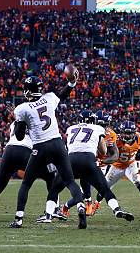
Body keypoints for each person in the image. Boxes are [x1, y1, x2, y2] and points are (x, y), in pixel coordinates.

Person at [9, 69, 85, 229]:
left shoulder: (22, 108)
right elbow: (63, 94)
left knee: (26, 183)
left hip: (41, 147)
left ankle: (19, 219)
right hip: (58, 144)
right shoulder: (49, 98)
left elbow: (20, 137)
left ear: (28, 90)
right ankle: (81, 207)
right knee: (70, 181)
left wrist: (17, 123)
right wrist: (72, 83)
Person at [40, 110, 134, 228]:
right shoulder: (98, 129)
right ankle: (116, 209)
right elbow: (104, 151)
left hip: (71, 159)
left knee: (55, 188)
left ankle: (50, 215)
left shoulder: (71, 128)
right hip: (90, 160)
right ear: (94, 121)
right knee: (104, 189)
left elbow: (64, 146)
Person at [0, 120, 59, 223]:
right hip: (26, 152)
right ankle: (54, 209)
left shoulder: (13, 123)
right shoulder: (36, 121)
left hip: (9, 151)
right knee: (50, 178)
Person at [102, 121, 140, 217]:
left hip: (130, 165)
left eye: (130, 133)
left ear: (134, 133)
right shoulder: (115, 140)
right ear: (121, 132)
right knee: (105, 187)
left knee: (139, 182)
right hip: (116, 166)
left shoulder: (139, 137)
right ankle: (96, 204)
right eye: (125, 133)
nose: (127, 136)